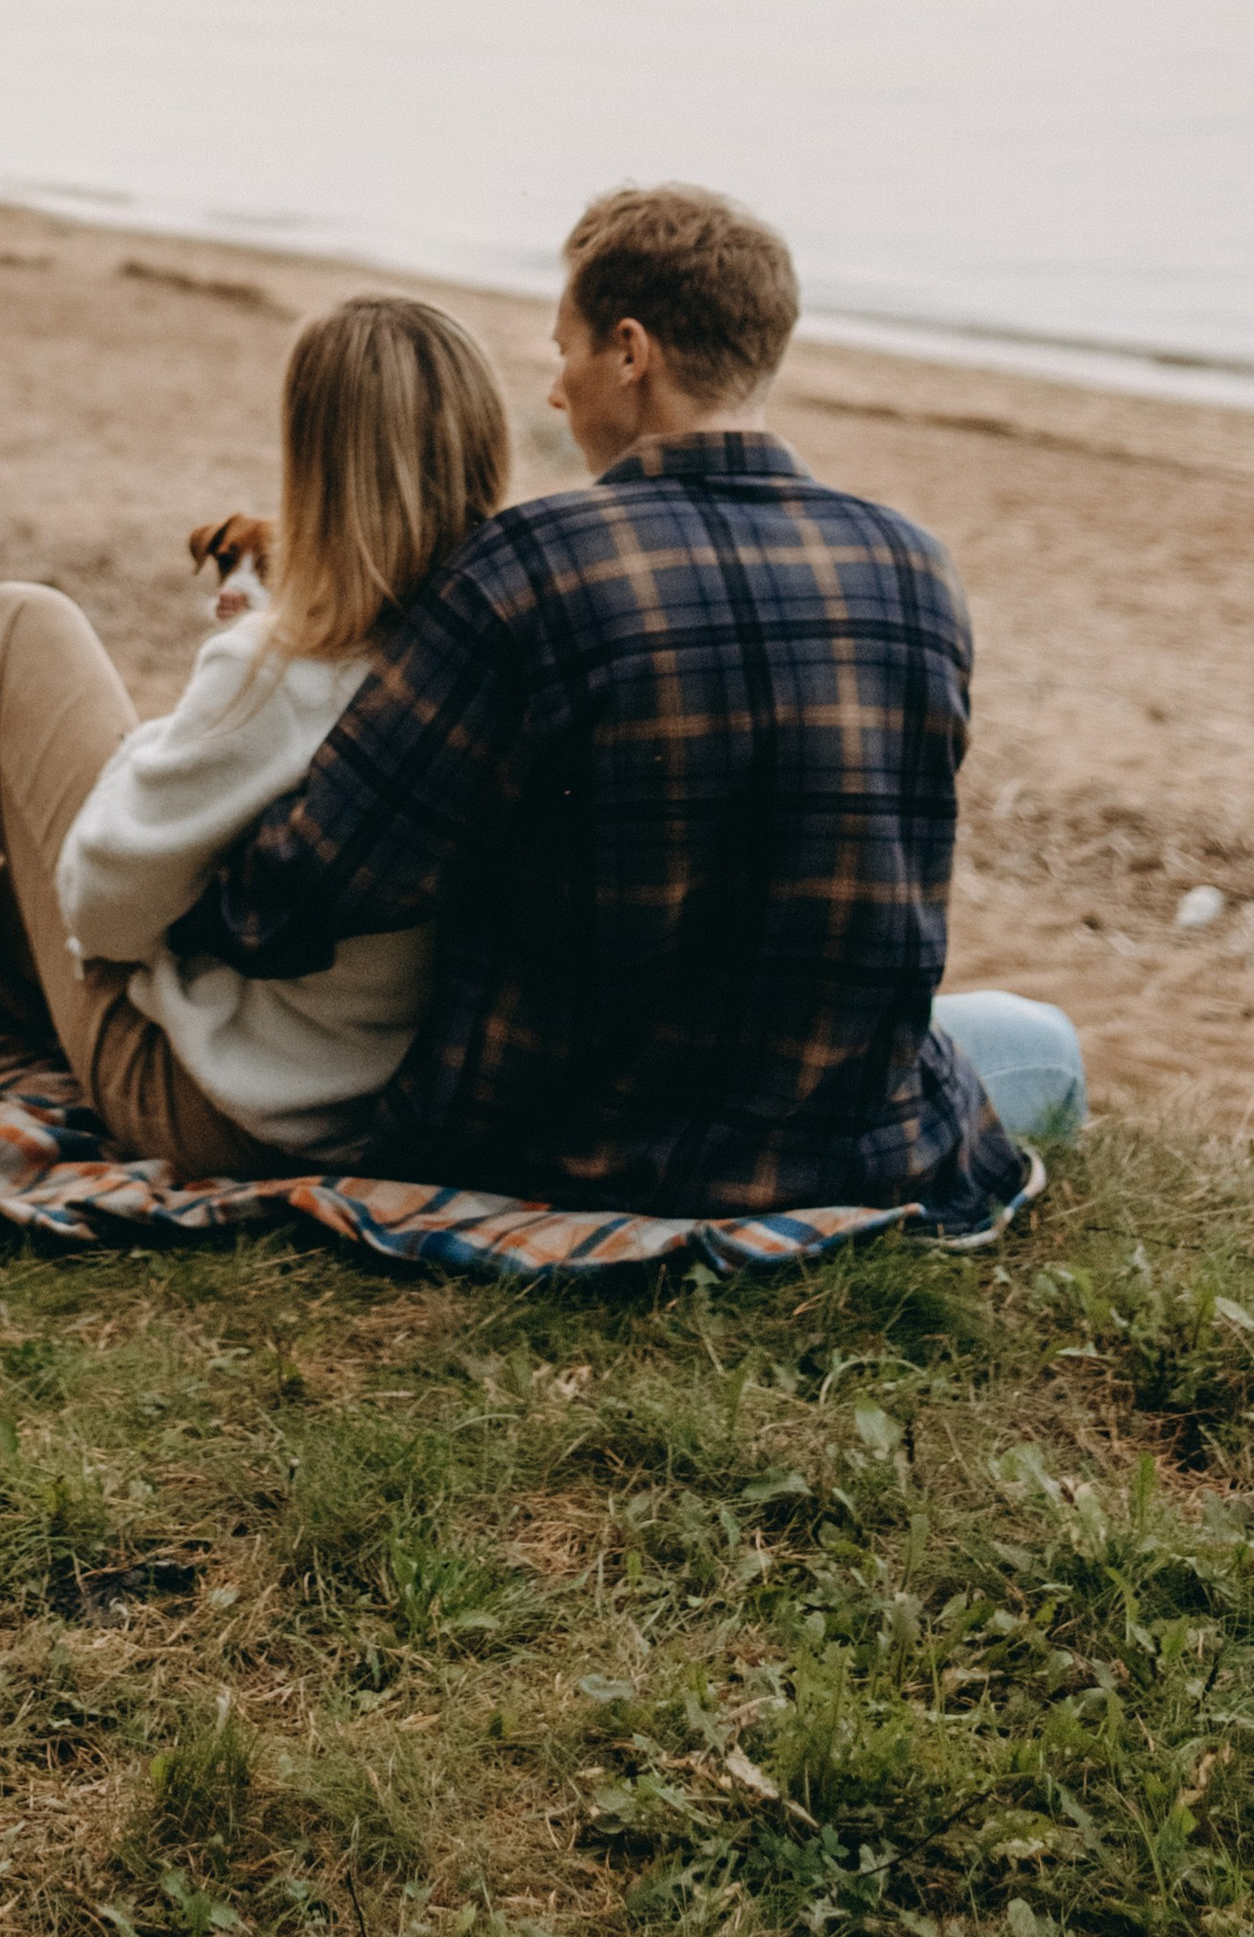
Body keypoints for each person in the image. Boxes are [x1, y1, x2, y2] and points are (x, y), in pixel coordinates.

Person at [174, 182, 1079, 1228]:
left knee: (1032, 1037)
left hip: (568, 1149)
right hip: (855, 1136)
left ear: (630, 352)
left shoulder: (528, 567)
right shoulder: (917, 567)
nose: (556, 392)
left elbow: (300, 893)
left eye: (563, 350)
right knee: (1042, 1043)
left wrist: (182, 893)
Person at [0, 292, 511, 1173]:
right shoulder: (487, 649)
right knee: (27, 861)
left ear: (312, 459)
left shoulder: (282, 666)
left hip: (222, 1107)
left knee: (15, 626)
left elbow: (102, 910)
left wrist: (137, 759)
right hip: (364, 1097)